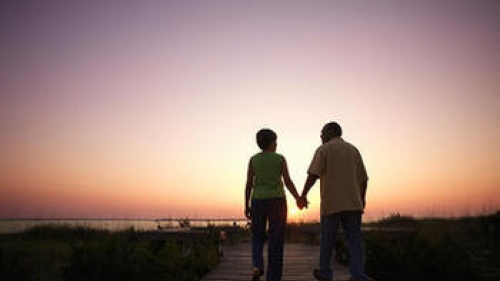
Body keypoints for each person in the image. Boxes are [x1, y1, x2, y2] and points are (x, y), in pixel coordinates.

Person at [300, 122, 373, 281]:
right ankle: (358, 275)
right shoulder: (353, 150)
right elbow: (363, 179)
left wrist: (303, 195)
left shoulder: (324, 149)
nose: (320, 136)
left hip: (332, 204)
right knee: (355, 241)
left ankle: (326, 273)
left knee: (328, 239)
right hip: (353, 204)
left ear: (330, 132)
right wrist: (362, 199)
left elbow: (314, 174)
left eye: (322, 133)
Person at [245, 128, 304, 281]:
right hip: (277, 200)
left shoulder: (253, 160)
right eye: (275, 141)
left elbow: (249, 183)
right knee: (276, 239)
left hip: (258, 200)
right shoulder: (280, 159)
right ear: (272, 143)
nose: (276, 144)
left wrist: (246, 204)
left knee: (257, 235)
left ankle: (257, 265)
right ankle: (274, 277)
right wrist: (298, 197)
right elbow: (288, 181)